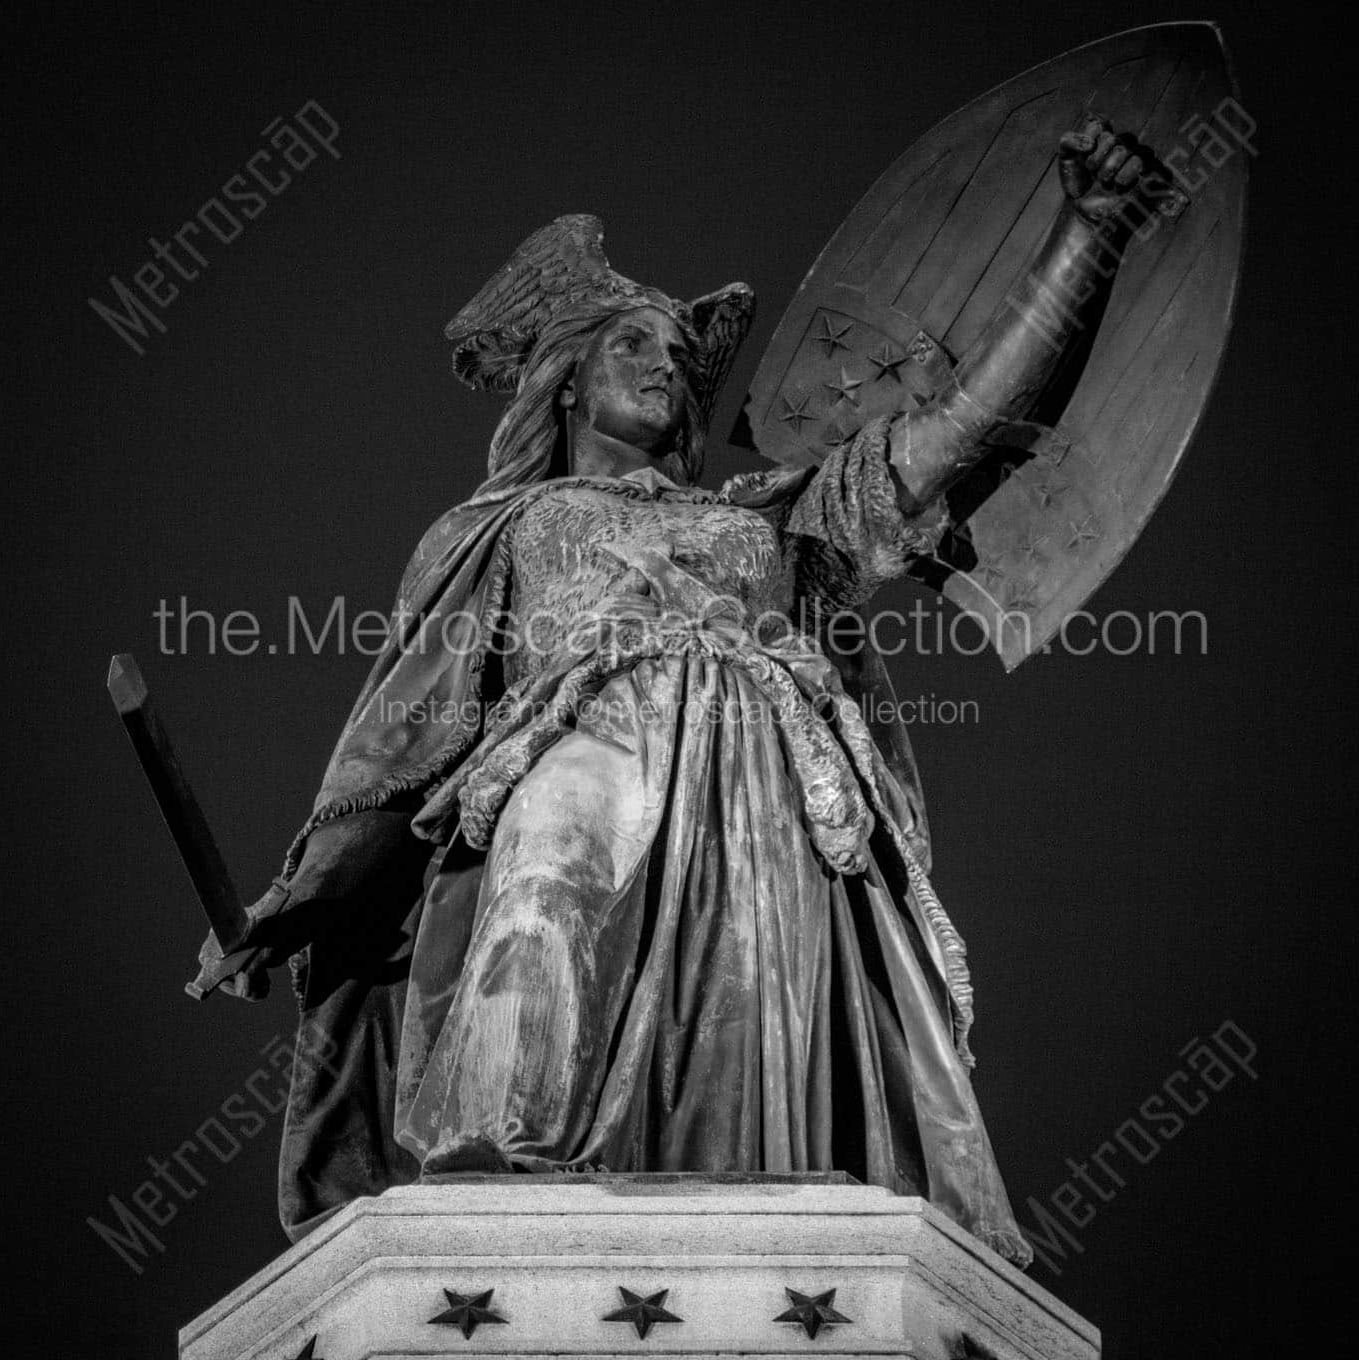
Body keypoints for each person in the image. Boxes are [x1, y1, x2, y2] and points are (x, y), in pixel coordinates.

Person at [197, 116, 1150, 1267]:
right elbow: (406, 741)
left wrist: (1085, 237)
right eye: (632, 346)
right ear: (564, 382)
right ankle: (494, 1221)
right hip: (580, 739)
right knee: (538, 898)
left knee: (760, 1013)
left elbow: (951, 440)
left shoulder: (772, 519)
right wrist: (297, 903)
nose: (665, 367)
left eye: (672, 355)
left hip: (764, 788)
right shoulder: (501, 527)